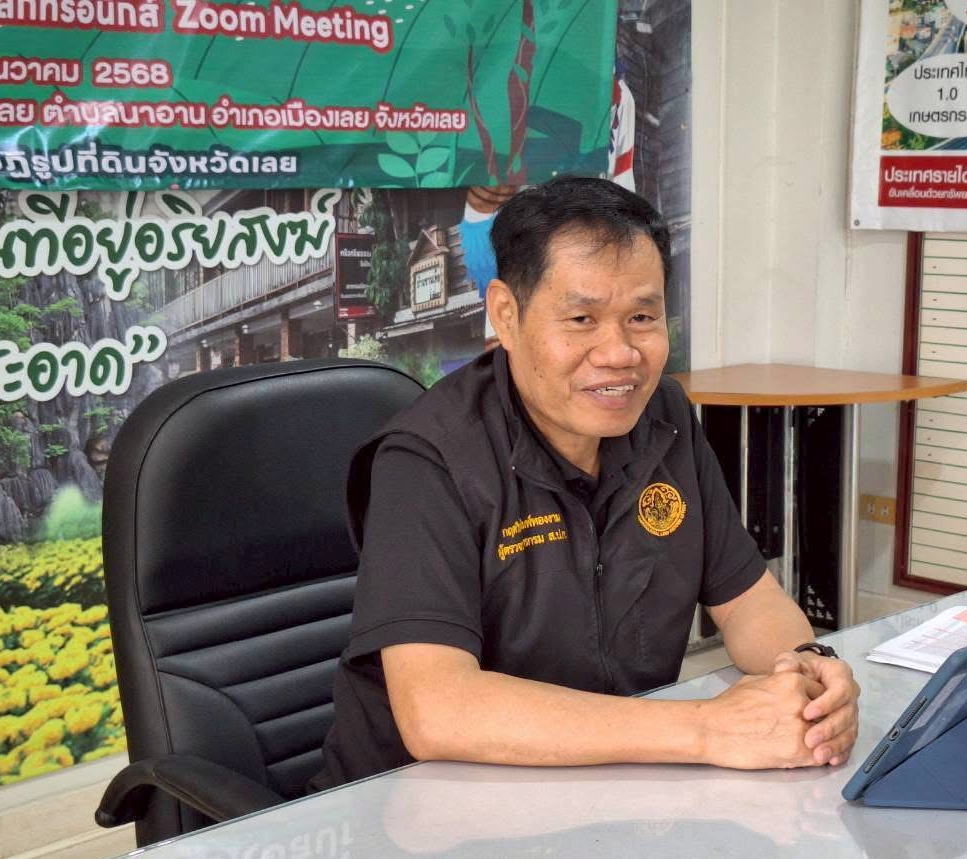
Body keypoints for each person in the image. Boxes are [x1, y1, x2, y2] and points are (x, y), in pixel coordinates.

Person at [309, 177, 859, 790]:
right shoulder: (427, 459)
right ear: (506, 315)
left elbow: (748, 598)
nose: (619, 353)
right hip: (419, 803)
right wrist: (707, 729)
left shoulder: (663, 417)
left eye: (642, 317)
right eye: (581, 318)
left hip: (606, 777)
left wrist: (806, 672)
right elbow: (439, 711)